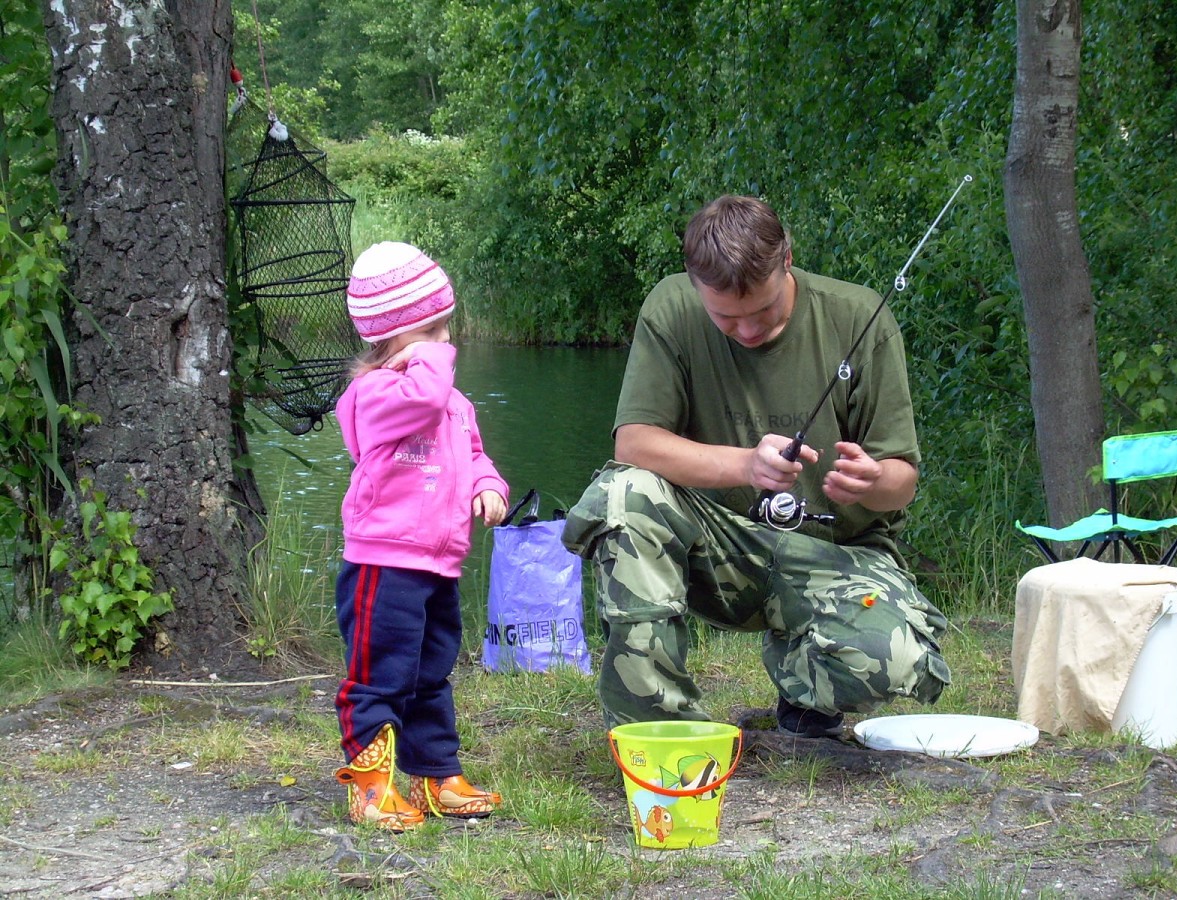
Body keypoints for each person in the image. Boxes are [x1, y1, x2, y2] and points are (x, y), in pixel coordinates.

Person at [562, 195, 950, 737]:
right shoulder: (671, 308)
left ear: (786, 261)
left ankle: (803, 683)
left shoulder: (860, 316)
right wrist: (746, 465)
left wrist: (875, 480)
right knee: (623, 495)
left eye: (762, 312)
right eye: (725, 317)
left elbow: (902, 484)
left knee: (900, 659)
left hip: (838, 553)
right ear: (695, 286)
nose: (745, 331)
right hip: (718, 547)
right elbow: (635, 443)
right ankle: (656, 731)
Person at [332, 241, 509, 831]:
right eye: (432, 332)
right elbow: (426, 395)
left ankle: (434, 773)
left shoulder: (450, 401)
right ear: (394, 338)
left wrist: (489, 486)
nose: (445, 345)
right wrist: (423, 358)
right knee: (381, 670)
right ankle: (370, 784)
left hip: (438, 562)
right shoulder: (376, 396)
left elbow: (474, 455)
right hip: (383, 561)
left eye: (445, 330)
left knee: (431, 669)